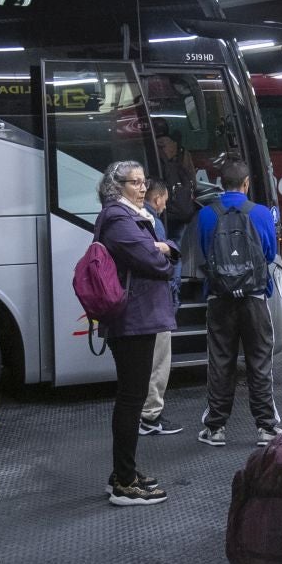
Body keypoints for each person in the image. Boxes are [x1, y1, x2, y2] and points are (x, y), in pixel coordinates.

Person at [93, 161, 176, 505]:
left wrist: (161, 248)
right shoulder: (118, 218)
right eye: (135, 182)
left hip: (137, 318)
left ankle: (123, 473)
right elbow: (154, 261)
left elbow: (156, 252)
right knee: (131, 400)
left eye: (144, 182)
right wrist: (162, 251)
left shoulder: (128, 217)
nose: (143, 188)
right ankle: (124, 483)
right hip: (132, 320)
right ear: (118, 186)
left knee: (133, 397)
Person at [194, 158, 282, 446]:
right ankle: (266, 428)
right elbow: (269, 254)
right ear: (247, 183)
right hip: (255, 298)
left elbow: (202, 254)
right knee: (259, 361)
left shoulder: (206, 215)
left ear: (221, 183)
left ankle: (216, 428)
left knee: (221, 361)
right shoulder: (260, 213)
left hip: (219, 298)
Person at [137, 181, 185, 439]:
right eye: (164, 200)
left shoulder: (129, 219)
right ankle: (150, 416)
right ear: (156, 199)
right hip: (156, 304)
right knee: (159, 361)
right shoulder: (153, 223)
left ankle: (142, 412)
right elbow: (165, 266)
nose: (165, 205)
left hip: (140, 306)